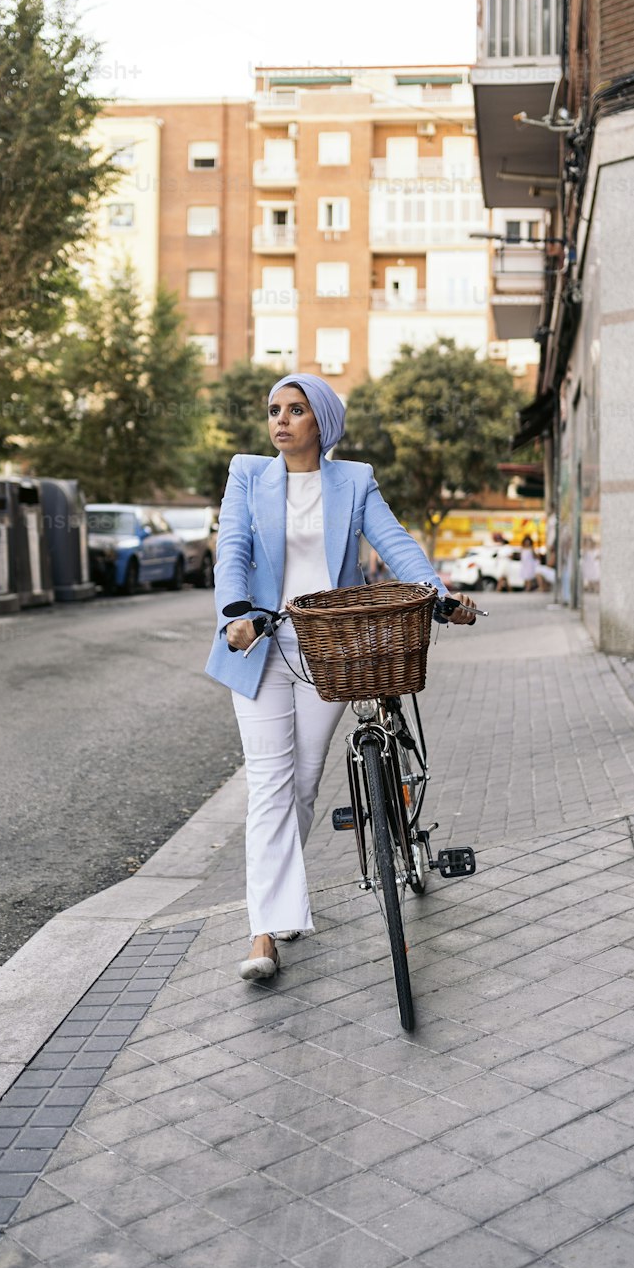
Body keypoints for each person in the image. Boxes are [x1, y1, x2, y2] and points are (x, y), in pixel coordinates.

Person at [204, 374, 476, 983]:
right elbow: (235, 551)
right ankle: (264, 932)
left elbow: (397, 545)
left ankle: (280, 906)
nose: (280, 421)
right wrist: (236, 615)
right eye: (274, 410)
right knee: (270, 782)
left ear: (320, 422)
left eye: (295, 411)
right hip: (259, 643)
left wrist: (440, 596)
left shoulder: (352, 480)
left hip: (331, 648)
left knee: (300, 784)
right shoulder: (248, 474)